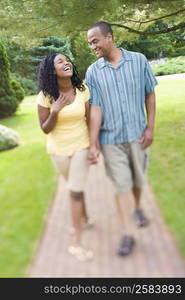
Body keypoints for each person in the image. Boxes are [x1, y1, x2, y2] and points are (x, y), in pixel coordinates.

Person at [85, 21, 157, 256]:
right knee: (121, 185)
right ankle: (128, 233)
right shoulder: (93, 71)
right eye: (90, 43)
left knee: (137, 181)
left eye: (95, 41)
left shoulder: (139, 60)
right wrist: (94, 142)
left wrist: (150, 128)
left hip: (138, 135)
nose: (92, 46)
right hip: (110, 140)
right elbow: (95, 108)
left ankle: (136, 208)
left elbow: (150, 94)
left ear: (109, 37)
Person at [37, 53, 93, 261]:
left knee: (74, 191)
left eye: (67, 60)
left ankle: (76, 242)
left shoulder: (82, 90)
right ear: (52, 70)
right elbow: (45, 129)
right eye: (60, 61)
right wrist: (55, 111)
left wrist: (95, 146)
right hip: (58, 151)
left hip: (81, 145)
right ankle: (85, 217)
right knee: (74, 186)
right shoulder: (46, 96)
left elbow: (89, 118)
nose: (66, 62)